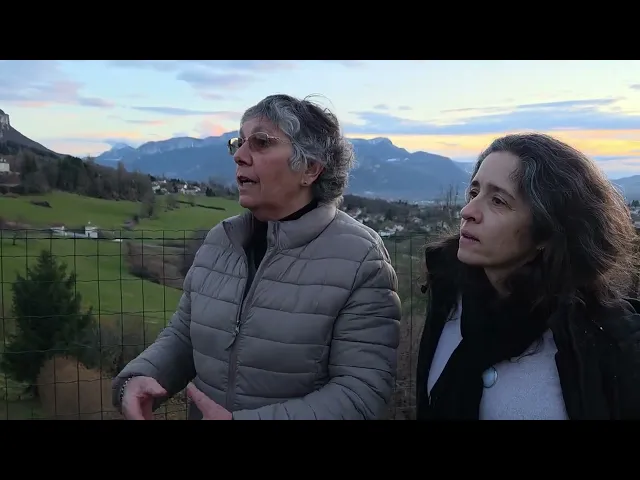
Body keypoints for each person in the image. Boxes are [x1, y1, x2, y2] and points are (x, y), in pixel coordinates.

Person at [112, 94, 402, 420]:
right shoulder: (220, 241)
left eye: (261, 142)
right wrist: (140, 377)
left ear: (310, 168)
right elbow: (183, 337)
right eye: (239, 142)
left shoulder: (361, 259)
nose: (239, 155)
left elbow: (361, 395)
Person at [415, 132, 640, 420]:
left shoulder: (605, 344)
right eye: (473, 193)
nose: (467, 211)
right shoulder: (448, 298)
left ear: (546, 231)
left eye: (498, 201)